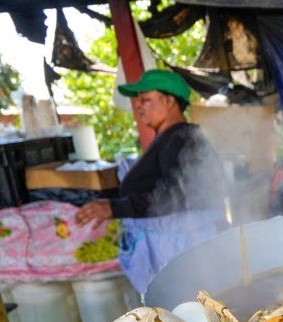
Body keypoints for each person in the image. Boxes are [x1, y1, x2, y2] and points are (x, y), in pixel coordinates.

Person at [75, 69, 220, 292]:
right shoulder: (170, 138)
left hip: (182, 248)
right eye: (137, 100)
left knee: (190, 308)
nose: (139, 105)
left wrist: (115, 208)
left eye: (146, 99)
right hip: (172, 248)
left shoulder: (182, 138)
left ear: (170, 100)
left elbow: (182, 193)